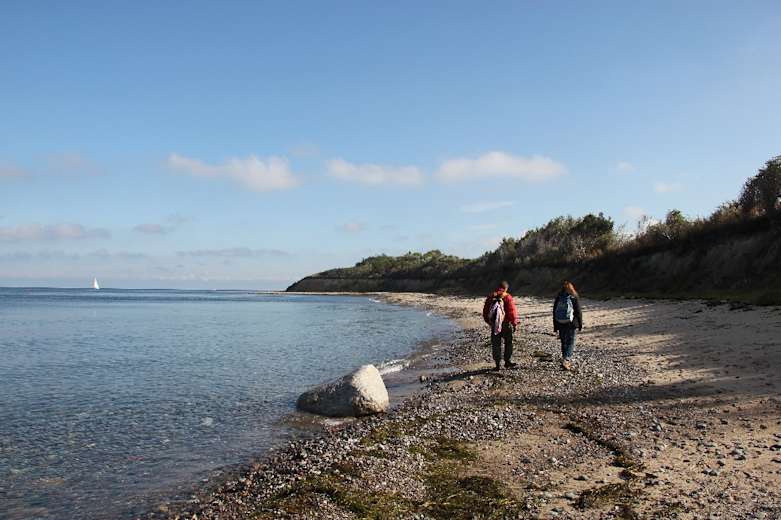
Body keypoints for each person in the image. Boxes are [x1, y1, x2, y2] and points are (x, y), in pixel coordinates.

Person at [482, 281, 519, 370]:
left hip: (495, 324)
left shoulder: (491, 297)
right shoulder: (507, 297)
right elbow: (512, 312)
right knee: (508, 343)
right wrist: (514, 323)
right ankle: (507, 361)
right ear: (506, 288)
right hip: (506, 324)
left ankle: (497, 364)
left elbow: (485, 311)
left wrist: (489, 322)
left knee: (496, 344)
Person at [553, 280, 583, 371]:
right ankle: (566, 359)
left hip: (560, 322)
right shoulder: (574, 297)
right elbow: (578, 312)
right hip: (571, 323)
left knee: (563, 341)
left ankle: (564, 358)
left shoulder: (559, 297)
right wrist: (580, 324)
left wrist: (555, 326)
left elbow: (554, 311)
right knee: (570, 342)